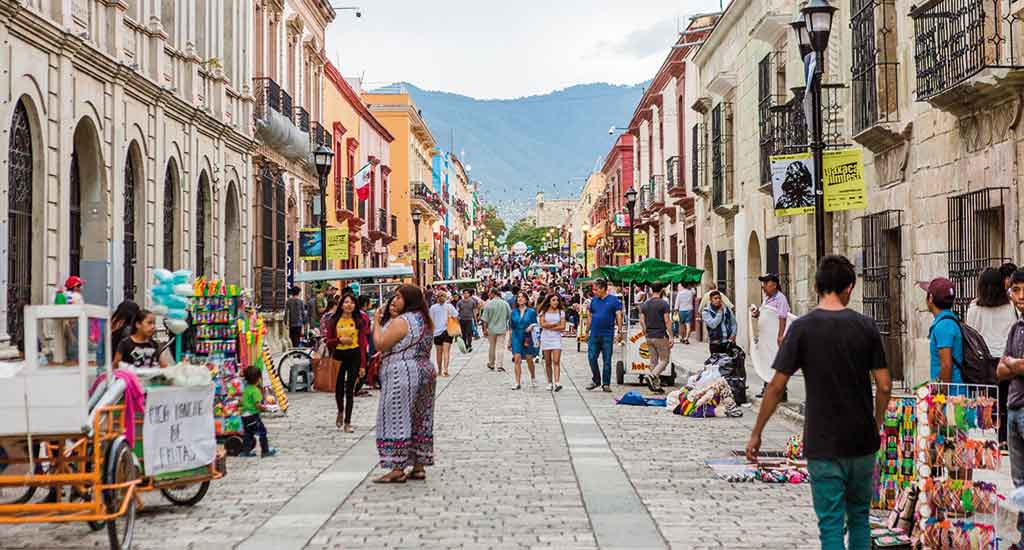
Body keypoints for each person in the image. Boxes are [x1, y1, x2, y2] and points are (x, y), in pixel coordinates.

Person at [746, 255, 891, 550]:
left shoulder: (803, 328)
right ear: (849, 288)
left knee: (831, 524)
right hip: (862, 442)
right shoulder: (866, 326)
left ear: (816, 287)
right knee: (860, 518)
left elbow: (775, 387)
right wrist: (875, 424)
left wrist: (757, 432)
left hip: (823, 443)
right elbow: (885, 385)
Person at [372, 284, 435, 483]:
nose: (395, 300)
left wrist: (376, 322)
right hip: (425, 370)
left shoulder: (403, 321)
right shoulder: (424, 320)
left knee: (395, 417)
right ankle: (419, 465)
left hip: (402, 372)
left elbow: (381, 343)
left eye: (399, 297)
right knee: (421, 418)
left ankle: (397, 467)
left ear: (410, 299)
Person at [966, 267, 1018, 444]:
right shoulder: (1011, 307)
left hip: (984, 362)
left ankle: (987, 438)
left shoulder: (974, 308)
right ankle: (1004, 438)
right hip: (1005, 360)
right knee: (1005, 399)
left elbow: (971, 333)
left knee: (988, 401)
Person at [996, 269, 1024, 545]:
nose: (1020, 296)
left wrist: (1013, 364)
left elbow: (1011, 365)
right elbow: (998, 371)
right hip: (1014, 409)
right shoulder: (1016, 328)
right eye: (1015, 290)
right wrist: (1016, 366)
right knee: (1020, 485)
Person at [752, 273, 791, 400]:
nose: (763, 287)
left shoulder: (781, 298)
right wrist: (757, 313)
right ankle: (767, 389)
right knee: (767, 362)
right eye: (763, 284)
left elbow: (782, 317)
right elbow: (766, 313)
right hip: (766, 339)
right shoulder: (767, 299)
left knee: (776, 363)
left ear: (774, 285)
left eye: (766, 284)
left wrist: (780, 335)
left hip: (774, 339)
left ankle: (780, 393)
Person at [921, 277, 964, 383]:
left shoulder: (943, 326)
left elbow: (946, 365)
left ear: (930, 298)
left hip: (952, 393)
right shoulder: (950, 320)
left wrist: (942, 394)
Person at [333, 294, 365, 432]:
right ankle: (340, 410)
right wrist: (340, 341)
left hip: (354, 355)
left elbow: (363, 343)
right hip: (339, 356)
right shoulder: (334, 320)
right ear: (341, 305)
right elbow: (328, 341)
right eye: (346, 302)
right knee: (339, 388)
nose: (349, 305)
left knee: (350, 389)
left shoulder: (359, 320)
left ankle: (348, 422)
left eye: (352, 302)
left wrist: (363, 364)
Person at [587, 278, 623, 393]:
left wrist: (620, 331)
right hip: (594, 333)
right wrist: (586, 330)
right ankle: (596, 380)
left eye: (596, 289)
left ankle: (606, 383)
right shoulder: (594, 301)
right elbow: (590, 316)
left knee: (607, 359)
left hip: (607, 334)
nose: (594, 291)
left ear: (603, 289)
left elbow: (618, 315)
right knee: (592, 357)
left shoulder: (613, 300)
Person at [640, 283, 672, 393]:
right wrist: (671, 336)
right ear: (662, 289)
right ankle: (652, 375)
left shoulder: (645, 304)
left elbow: (641, 320)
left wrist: (646, 331)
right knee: (664, 360)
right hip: (660, 335)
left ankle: (655, 386)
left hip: (649, 336)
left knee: (653, 361)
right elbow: (667, 320)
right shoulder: (664, 304)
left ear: (651, 290)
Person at [239, 366, 278, 458]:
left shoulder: (246, 389)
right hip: (253, 416)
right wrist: (266, 408)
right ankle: (265, 451)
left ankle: (246, 452)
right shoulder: (255, 391)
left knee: (248, 433)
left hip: (245, 416)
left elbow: (241, 401)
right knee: (262, 432)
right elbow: (258, 405)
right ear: (258, 379)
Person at [508, 292, 539, 389]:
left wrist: (531, 326)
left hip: (527, 337)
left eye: (522, 297)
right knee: (517, 358)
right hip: (516, 336)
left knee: (529, 359)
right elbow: (511, 327)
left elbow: (536, 325)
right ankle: (517, 382)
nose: (520, 299)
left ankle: (533, 377)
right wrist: (509, 341)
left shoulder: (531, 311)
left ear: (526, 299)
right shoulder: (513, 312)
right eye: (518, 297)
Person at [537, 293, 566, 392]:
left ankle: (557, 382)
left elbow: (563, 327)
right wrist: (555, 324)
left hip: (556, 339)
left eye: (557, 300)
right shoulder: (543, 312)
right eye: (553, 300)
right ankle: (549, 382)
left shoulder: (561, 312)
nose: (556, 302)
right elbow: (542, 325)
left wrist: (549, 326)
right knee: (548, 362)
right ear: (549, 301)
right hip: (545, 338)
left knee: (556, 361)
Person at [481, 288, 512, 373]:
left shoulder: (488, 304)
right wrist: (510, 328)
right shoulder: (505, 304)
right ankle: (499, 365)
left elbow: (485, 319)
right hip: (502, 328)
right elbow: (510, 316)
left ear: (493, 294)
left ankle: (491, 364)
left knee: (492, 347)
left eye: (490, 293)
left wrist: (484, 330)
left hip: (491, 329)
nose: (488, 295)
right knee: (500, 347)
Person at [429, 291, 458, 377]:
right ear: (446, 297)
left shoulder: (433, 308)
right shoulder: (449, 306)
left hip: (437, 333)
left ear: (436, 298)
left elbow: (430, 321)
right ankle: (446, 370)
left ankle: (439, 370)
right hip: (447, 331)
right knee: (446, 352)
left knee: (438, 353)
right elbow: (456, 317)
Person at [456, 288, 480, 352]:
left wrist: (476, 320)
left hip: (469, 319)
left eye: (467, 293)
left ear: (469, 294)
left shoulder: (472, 302)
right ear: (463, 294)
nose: (465, 294)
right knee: (463, 333)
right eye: (464, 293)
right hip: (462, 320)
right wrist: (457, 318)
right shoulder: (460, 302)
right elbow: (457, 311)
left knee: (469, 333)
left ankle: (469, 345)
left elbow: (474, 311)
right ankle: (465, 345)